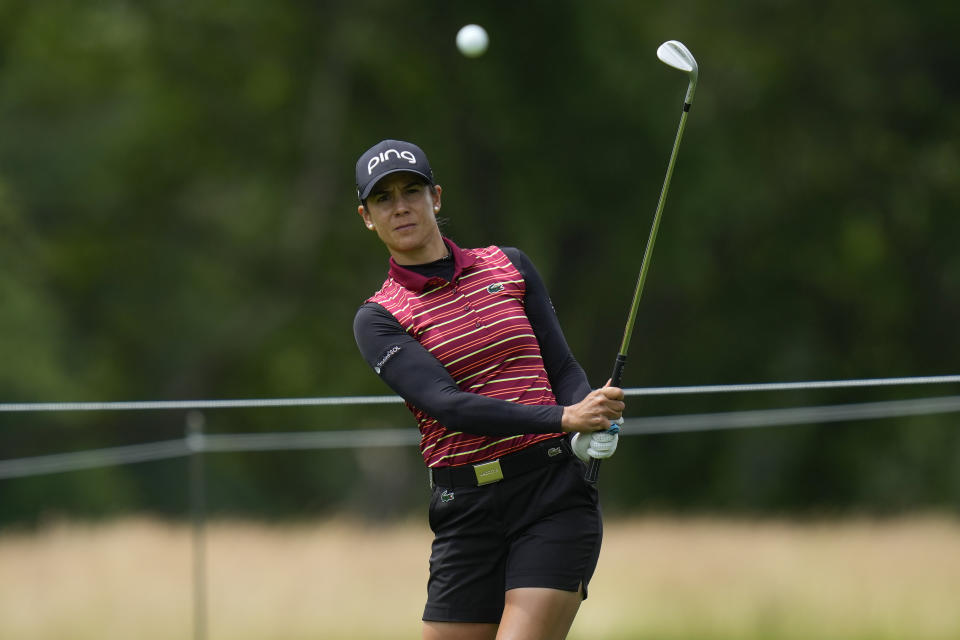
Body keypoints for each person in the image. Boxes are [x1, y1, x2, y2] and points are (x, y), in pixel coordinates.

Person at [352, 139, 625, 640]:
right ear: (367, 217)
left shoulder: (509, 265)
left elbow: (561, 366)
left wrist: (590, 411)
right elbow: (446, 405)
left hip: (550, 493)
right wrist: (564, 420)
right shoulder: (379, 318)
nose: (401, 206)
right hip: (465, 509)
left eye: (411, 190)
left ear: (436, 197)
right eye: (383, 198)